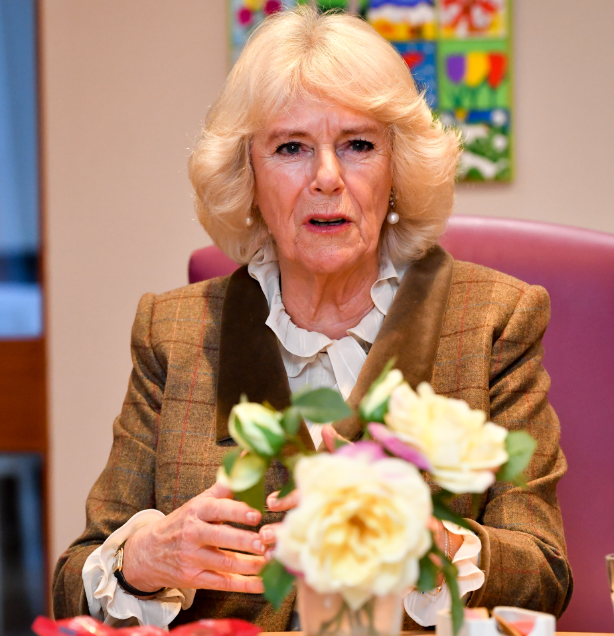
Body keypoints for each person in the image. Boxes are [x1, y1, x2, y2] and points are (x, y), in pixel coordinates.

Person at [52, 7, 572, 631]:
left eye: (358, 145)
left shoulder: (493, 320)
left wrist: (431, 545)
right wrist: (148, 557)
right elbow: (71, 586)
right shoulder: (173, 330)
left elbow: (544, 575)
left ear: (396, 170)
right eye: (291, 147)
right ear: (247, 176)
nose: (327, 178)